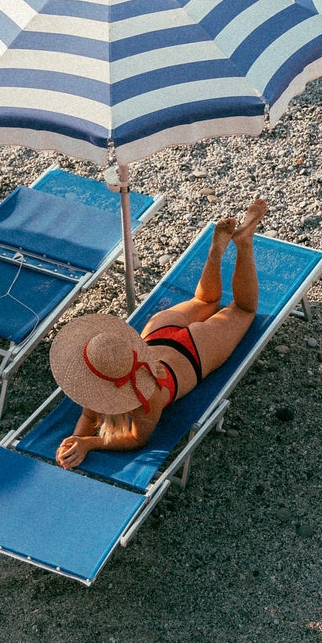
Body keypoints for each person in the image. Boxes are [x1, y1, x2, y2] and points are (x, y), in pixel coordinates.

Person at [49, 198, 267, 469]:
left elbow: (137, 439)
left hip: (193, 353)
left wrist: (91, 442)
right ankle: (214, 255)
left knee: (243, 309)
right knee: (204, 302)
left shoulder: (144, 397)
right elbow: (88, 416)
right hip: (156, 333)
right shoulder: (106, 369)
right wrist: (76, 439)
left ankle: (244, 243)